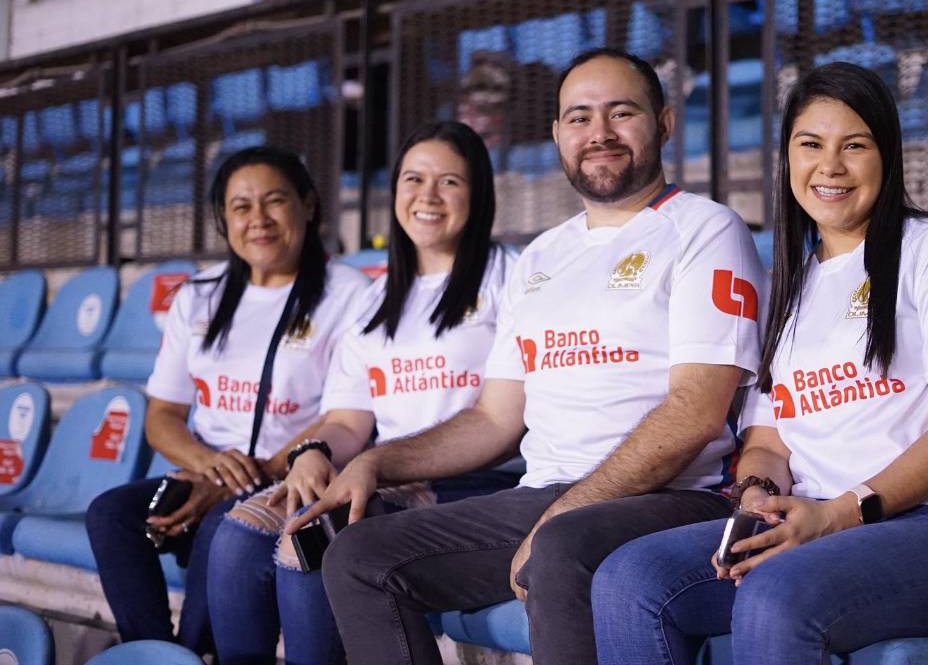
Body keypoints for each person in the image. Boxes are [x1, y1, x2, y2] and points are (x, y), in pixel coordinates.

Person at [287, 48, 766, 665]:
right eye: (579, 118)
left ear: (665, 123)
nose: (599, 134)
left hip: (670, 497)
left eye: (621, 113)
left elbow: (696, 413)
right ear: (557, 135)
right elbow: (494, 419)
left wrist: (565, 511)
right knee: (359, 558)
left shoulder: (706, 230)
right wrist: (378, 462)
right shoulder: (542, 256)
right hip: (546, 497)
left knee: (562, 547)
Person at [591, 62, 928, 664]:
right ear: (788, 159)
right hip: (813, 526)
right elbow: (768, 436)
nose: (831, 167)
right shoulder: (787, 285)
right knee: (630, 579)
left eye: (855, 146)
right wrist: (760, 492)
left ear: (887, 156)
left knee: (774, 595)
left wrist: (839, 515)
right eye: (810, 145)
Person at [206, 121, 520, 665]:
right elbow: (349, 422)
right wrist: (313, 453)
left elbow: (503, 421)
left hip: (478, 482)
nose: (427, 196)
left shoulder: (509, 279)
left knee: (313, 540)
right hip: (390, 479)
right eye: (413, 179)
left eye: (449, 182)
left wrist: (370, 464)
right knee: (240, 533)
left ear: (479, 193)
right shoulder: (375, 300)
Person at [86, 147, 369, 654]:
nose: (258, 219)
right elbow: (163, 415)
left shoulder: (349, 293)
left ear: (308, 204)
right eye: (241, 207)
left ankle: (192, 654)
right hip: (212, 470)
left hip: (288, 478)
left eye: (274, 201)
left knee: (225, 525)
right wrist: (213, 469)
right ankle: (156, 655)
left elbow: (341, 418)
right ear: (224, 220)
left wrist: (251, 475)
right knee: (110, 513)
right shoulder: (199, 295)